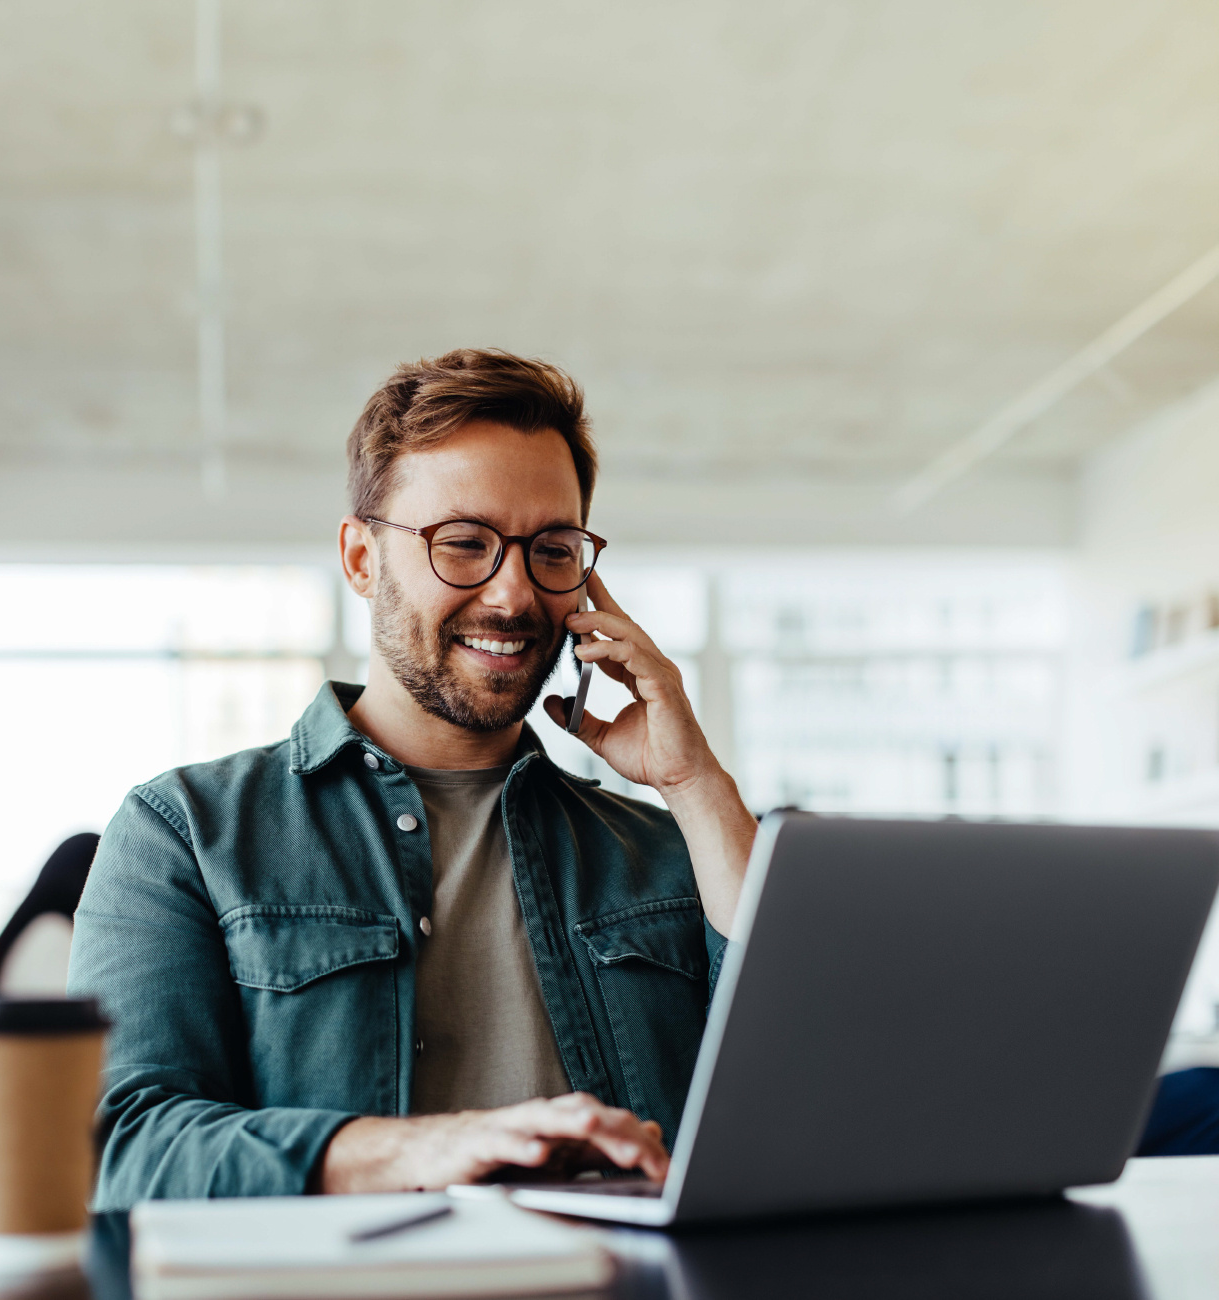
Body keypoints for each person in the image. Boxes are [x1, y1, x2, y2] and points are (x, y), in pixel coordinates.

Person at [67, 348, 760, 1204]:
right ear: (361, 559)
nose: (512, 596)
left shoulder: (666, 848)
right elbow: (119, 1147)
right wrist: (423, 1150)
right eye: (464, 543)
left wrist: (695, 784)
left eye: (551, 549)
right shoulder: (186, 833)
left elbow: (806, 1092)